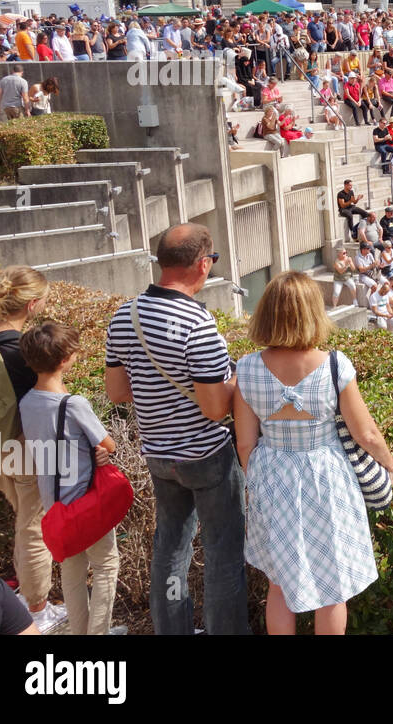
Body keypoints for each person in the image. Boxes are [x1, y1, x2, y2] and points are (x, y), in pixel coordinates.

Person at [104, 224, 249, 635]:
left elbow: (117, 392)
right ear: (203, 264)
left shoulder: (124, 314)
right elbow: (215, 408)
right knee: (222, 553)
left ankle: (173, 628)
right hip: (206, 455)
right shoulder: (198, 322)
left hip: (158, 454)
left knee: (170, 546)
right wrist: (237, 379)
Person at [233, 273, 391, 634]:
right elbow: (364, 433)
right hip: (326, 475)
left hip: (271, 473)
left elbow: (244, 442)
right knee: (333, 585)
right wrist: (388, 462)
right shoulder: (335, 365)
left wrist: (257, 477)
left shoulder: (247, 367)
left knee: (278, 580)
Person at [0, 266, 66, 632]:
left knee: (22, 519)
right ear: (31, 305)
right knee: (35, 526)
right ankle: (37, 607)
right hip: (21, 446)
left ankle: (23, 595)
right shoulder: (22, 349)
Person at [18, 322, 120, 635]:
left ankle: (79, 632)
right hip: (84, 502)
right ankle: (98, 633)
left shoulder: (26, 402)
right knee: (106, 565)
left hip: (55, 504)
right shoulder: (74, 404)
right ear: (65, 360)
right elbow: (108, 445)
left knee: (72, 570)